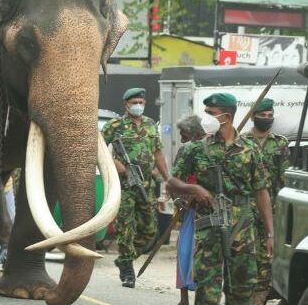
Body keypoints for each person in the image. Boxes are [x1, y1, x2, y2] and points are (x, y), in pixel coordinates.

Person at [169, 93, 274, 305]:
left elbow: (261, 192)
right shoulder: (196, 148)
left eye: (211, 113)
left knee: (241, 291)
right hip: (209, 228)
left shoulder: (250, 149)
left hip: (242, 229)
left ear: (227, 115)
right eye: (206, 112)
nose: (205, 117)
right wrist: (194, 188)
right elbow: (172, 183)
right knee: (207, 293)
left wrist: (270, 233)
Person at [102, 87, 172, 288]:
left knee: (150, 231)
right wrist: (119, 166)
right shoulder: (115, 126)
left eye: (141, 102)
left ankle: (125, 259)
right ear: (126, 105)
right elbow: (98, 148)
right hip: (124, 187)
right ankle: (127, 271)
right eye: (134, 103)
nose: (138, 106)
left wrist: (167, 178)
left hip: (146, 186)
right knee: (126, 230)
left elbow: (158, 153)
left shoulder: (150, 125)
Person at [242, 98, 290, 305]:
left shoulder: (280, 143)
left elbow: (283, 178)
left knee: (266, 255)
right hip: (244, 209)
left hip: (270, 209)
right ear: (253, 117)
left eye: (270, 116)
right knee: (243, 253)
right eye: (263, 116)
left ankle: (260, 296)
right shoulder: (241, 141)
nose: (267, 119)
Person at [172, 115, 206, 305]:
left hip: (206, 210)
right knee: (184, 252)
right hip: (189, 210)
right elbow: (174, 180)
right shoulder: (185, 150)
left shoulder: (210, 148)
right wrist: (179, 200)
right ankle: (183, 299)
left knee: (202, 255)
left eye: (184, 132)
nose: (181, 136)